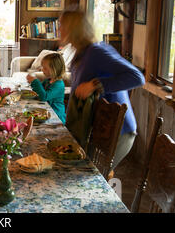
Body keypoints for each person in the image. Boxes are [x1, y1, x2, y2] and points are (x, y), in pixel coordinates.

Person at [59, 9, 145, 172]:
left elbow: (137, 77)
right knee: (75, 169)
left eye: (61, 26)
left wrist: (96, 85)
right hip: (98, 128)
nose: (59, 30)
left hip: (118, 131)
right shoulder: (81, 53)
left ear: (73, 28)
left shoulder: (97, 52)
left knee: (88, 176)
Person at [26, 53, 66, 124]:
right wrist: (31, 83)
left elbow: (44, 97)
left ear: (54, 69)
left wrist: (35, 81)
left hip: (56, 116)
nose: (42, 69)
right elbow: (39, 92)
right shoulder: (48, 80)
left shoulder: (59, 85)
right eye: (42, 67)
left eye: (45, 68)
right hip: (46, 112)